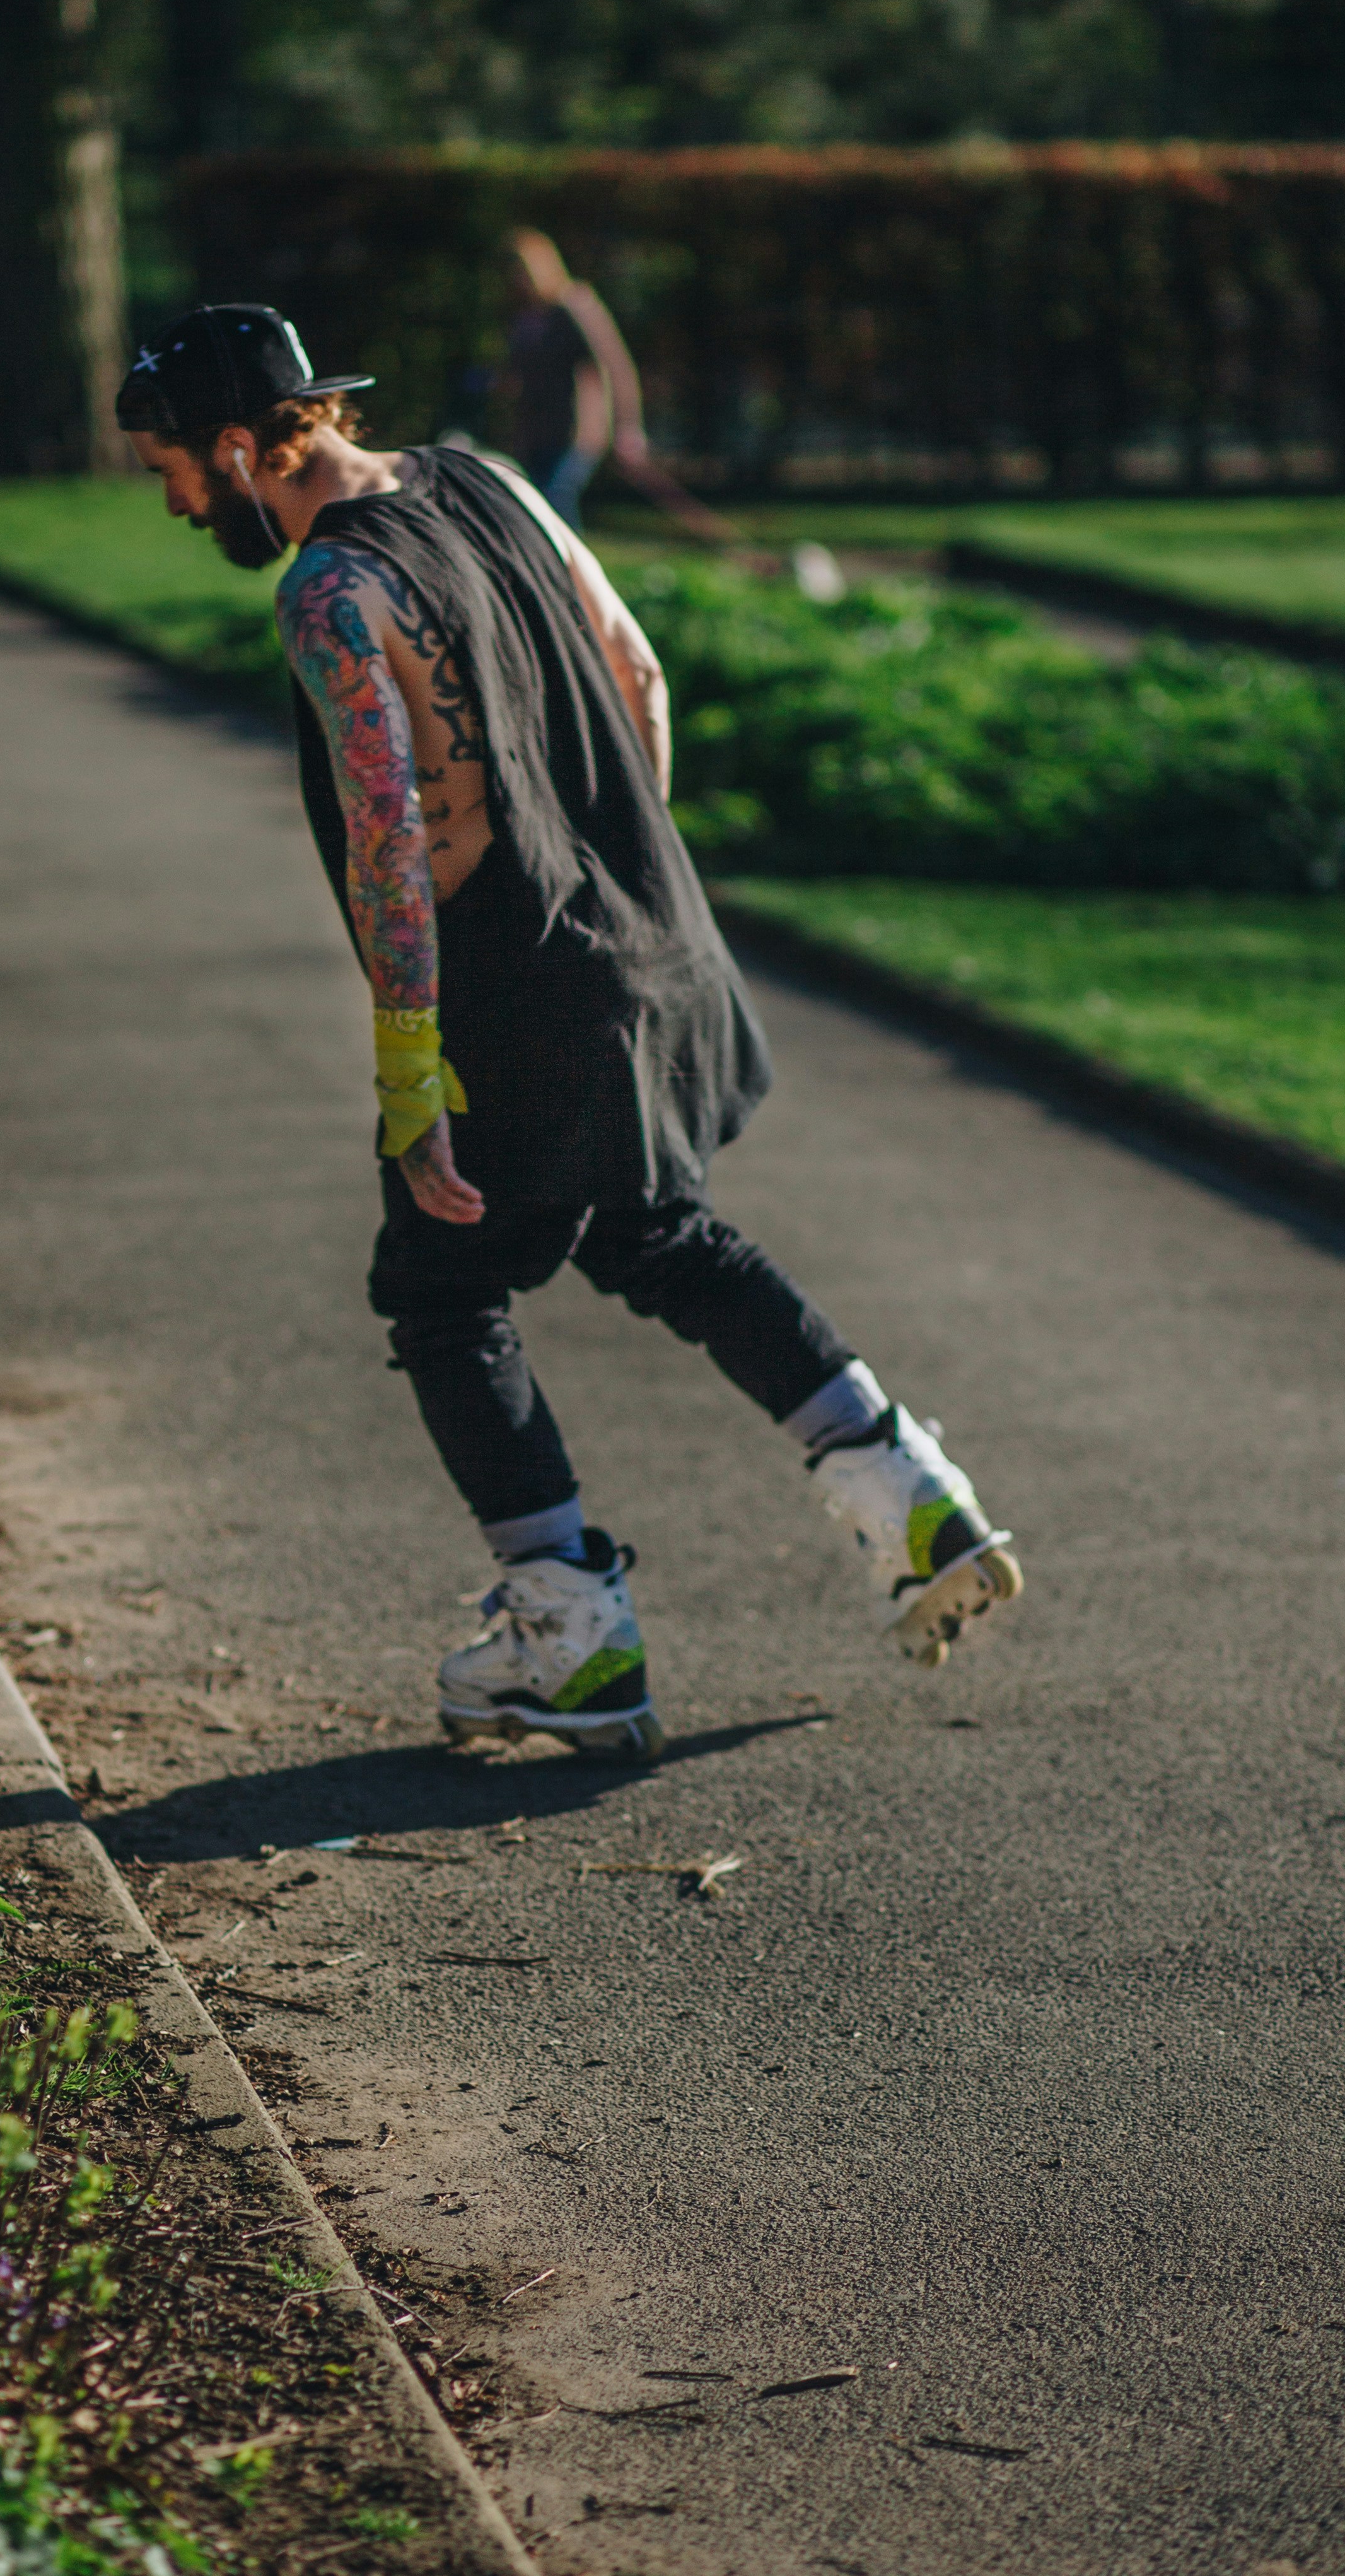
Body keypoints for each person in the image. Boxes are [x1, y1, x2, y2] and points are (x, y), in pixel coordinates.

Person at [117, 302, 1023, 1760]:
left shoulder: (329, 594)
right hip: (647, 939)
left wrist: (414, 1076)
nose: (169, 500)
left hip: (510, 997)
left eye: (169, 465)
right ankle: (901, 1485)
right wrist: (620, 877)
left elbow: (390, 846)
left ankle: (569, 1629)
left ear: (237, 447)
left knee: (437, 1286)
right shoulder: (484, 475)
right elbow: (638, 670)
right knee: (652, 1231)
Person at [497, 226, 656, 532]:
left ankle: (570, 574)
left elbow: (614, 367)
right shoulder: (526, 316)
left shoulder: (574, 306)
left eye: (523, 272)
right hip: (536, 432)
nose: (518, 281)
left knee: (554, 502)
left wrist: (628, 426)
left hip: (576, 432)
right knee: (538, 507)